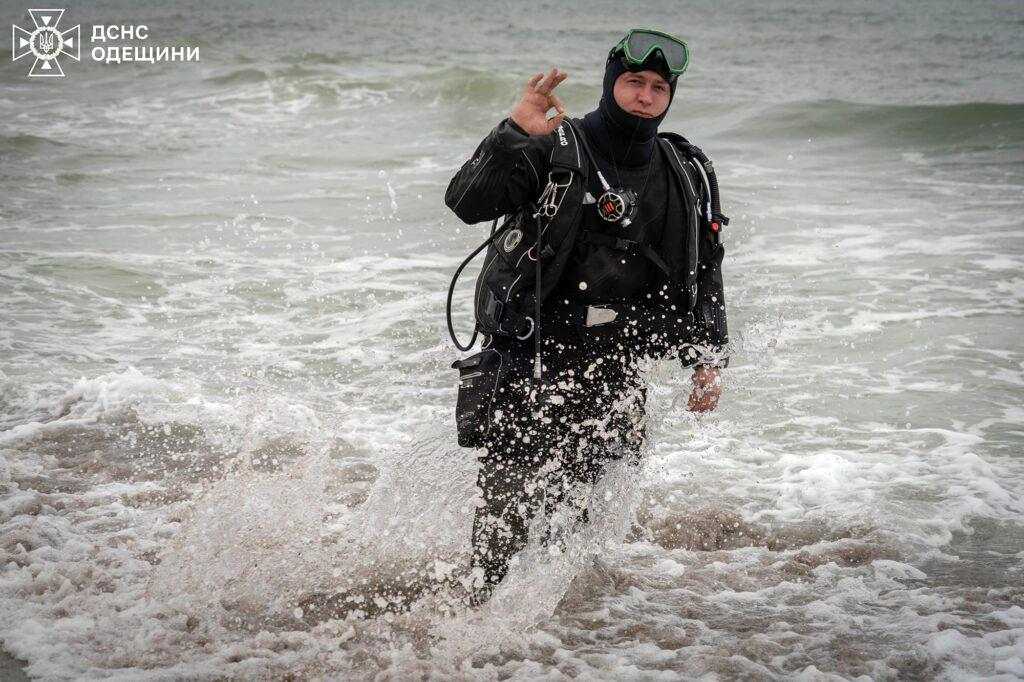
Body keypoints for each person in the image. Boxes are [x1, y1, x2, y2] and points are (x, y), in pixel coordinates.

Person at [444, 29, 730, 604]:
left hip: (613, 366)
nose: (645, 96)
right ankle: (466, 624)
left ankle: (559, 635)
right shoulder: (555, 145)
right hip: (531, 358)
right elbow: (465, 201)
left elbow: (704, 267)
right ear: (610, 84)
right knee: (504, 517)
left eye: (657, 87)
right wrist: (514, 132)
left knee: (581, 522)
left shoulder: (683, 170)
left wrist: (708, 359)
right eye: (633, 83)